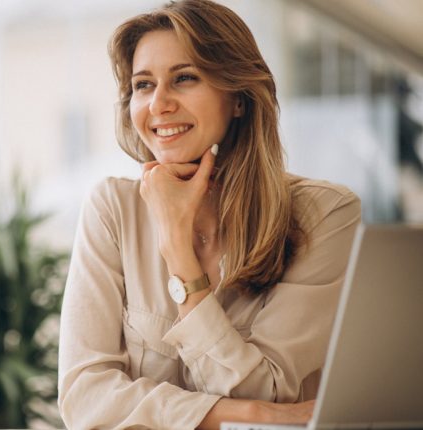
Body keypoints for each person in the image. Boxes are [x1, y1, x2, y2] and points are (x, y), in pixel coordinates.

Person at [57, 1, 362, 429]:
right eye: (143, 85)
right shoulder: (112, 210)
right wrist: (245, 413)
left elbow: (270, 394)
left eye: (184, 78)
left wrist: (178, 250)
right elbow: (84, 398)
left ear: (237, 97)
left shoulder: (324, 214)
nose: (158, 104)